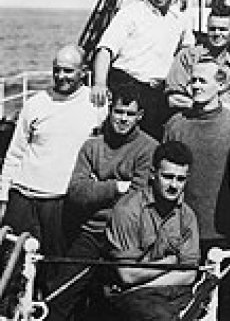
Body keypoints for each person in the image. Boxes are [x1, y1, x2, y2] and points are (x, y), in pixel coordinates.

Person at [46, 84, 157, 321]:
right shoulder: (92, 146)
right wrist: (117, 186)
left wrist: (96, 187)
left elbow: (137, 200)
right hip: (91, 232)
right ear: (109, 110)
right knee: (60, 295)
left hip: (126, 239)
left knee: (117, 302)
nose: (123, 119)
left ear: (140, 116)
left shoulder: (149, 149)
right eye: (118, 112)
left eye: (129, 114)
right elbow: (76, 192)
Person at [1, 44, 105, 292]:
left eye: (68, 71)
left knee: (54, 274)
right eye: (56, 70)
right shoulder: (36, 103)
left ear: (84, 71)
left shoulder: (97, 106)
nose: (61, 76)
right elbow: (14, 155)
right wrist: (3, 198)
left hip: (60, 203)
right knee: (11, 269)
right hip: (23, 199)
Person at [163, 57, 230, 319]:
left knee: (225, 304)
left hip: (222, 230)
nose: (195, 86)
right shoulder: (175, 124)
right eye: (192, 80)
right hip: (182, 231)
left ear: (220, 84)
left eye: (202, 81)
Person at [91, 0, 195, 141]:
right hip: (127, 85)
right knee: (121, 139)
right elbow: (105, 49)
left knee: (153, 142)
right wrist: (99, 83)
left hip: (158, 93)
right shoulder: (130, 14)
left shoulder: (180, 19)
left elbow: (187, 53)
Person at [105, 141, 200, 321]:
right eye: (168, 176)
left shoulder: (187, 216)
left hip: (170, 291)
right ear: (153, 174)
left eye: (181, 179)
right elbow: (127, 275)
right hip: (130, 298)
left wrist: (146, 284)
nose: (174, 185)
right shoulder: (128, 210)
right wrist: (172, 261)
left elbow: (189, 273)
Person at [165, 4, 230, 114]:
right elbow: (173, 99)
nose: (217, 33)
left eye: (222, 29)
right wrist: (208, 106)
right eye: (212, 29)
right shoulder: (187, 56)